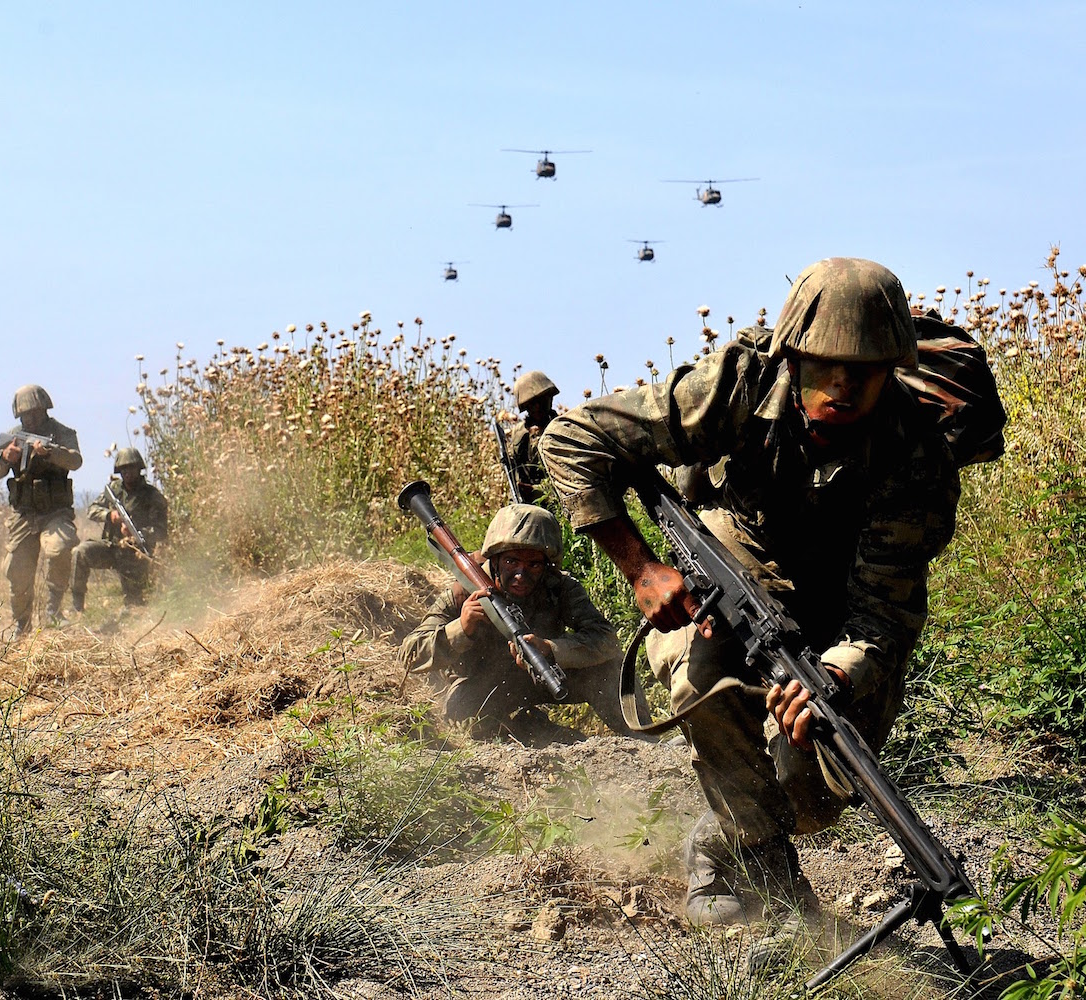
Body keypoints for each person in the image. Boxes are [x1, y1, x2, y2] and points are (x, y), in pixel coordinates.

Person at [537, 258, 961, 927]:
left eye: (866, 369)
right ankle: (770, 880)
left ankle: (718, 834)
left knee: (817, 788)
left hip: (841, 614)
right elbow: (572, 439)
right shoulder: (737, 384)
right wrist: (643, 569)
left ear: (893, 368)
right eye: (825, 364)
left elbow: (883, 610)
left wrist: (840, 674)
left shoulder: (917, 458)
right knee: (697, 680)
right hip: (735, 570)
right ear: (792, 355)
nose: (843, 385)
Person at [398, 502, 648, 739]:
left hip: (544, 675)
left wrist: (552, 649)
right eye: (511, 561)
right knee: (461, 711)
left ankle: (644, 740)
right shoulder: (463, 594)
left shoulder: (559, 587)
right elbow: (409, 655)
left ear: (546, 565)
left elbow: (606, 640)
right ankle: (520, 732)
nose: (521, 574)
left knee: (610, 671)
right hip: (485, 688)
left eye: (533, 565)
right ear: (493, 560)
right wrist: (461, 628)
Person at [0, 384, 82, 633]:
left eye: (35, 412)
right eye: (25, 415)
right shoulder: (13, 436)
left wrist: (50, 452)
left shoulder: (62, 433)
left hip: (55, 511)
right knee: (16, 570)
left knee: (59, 548)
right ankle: (23, 625)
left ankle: (53, 612)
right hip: (25, 513)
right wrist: (5, 458)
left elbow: (76, 461)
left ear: (44, 410)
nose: (30, 418)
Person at [70, 447, 169, 614]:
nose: (127, 472)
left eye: (131, 468)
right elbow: (92, 510)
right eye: (123, 469)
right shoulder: (114, 490)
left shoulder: (152, 495)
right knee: (81, 552)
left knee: (134, 607)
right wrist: (110, 515)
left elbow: (162, 531)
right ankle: (76, 607)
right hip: (111, 548)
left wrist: (139, 534)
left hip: (136, 554)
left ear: (139, 468)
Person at [508, 371, 560, 504]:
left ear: (550, 398)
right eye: (532, 403)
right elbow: (515, 472)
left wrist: (537, 491)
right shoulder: (519, 434)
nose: (537, 407)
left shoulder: (562, 429)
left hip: (556, 500)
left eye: (541, 400)